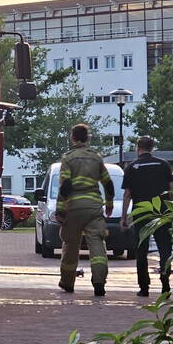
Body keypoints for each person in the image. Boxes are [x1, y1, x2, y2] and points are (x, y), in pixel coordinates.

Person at [55, 123, 115, 296]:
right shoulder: (96, 158)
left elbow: (65, 185)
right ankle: (99, 283)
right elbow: (108, 183)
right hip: (94, 208)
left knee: (71, 245)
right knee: (97, 246)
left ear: (72, 138)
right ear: (87, 138)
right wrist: (109, 203)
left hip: (73, 207)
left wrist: (60, 210)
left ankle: (67, 282)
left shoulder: (68, 158)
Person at [121, 136, 173, 297]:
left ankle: (144, 287)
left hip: (141, 214)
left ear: (138, 148)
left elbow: (127, 195)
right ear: (152, 148)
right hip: (162, 213)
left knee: (141, 250)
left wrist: (124, 218)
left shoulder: (132, 167)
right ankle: (165, 283)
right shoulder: (163, 165)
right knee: (165, 249)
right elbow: (172, 189)